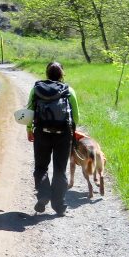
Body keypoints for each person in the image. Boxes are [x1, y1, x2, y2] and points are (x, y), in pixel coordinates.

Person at [26, 61, 80, 216]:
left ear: (46, 73)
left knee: (41, 167)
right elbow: (76, 116)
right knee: (60, 170)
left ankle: (43, 194)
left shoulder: (36, 89)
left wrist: (29, 130)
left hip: (42, 133)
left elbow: (29, 111)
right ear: (62, 74)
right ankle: (59, 206)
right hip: (63, 135)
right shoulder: (68, 90)